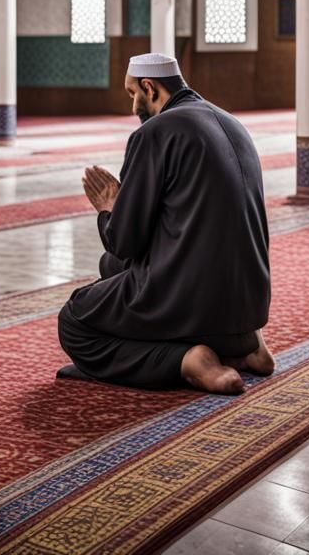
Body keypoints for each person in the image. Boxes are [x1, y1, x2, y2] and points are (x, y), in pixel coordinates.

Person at [56, 53, 274, 394]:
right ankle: (247, 347)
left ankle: (188, 361)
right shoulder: (233, 124)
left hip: (187, 297)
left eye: (133, 94)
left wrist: (109, 207)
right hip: (249, 305)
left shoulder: (155, 132)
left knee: (74, 321)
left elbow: (125, 242)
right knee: (110, 267)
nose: (133, 107)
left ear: (149, 87)